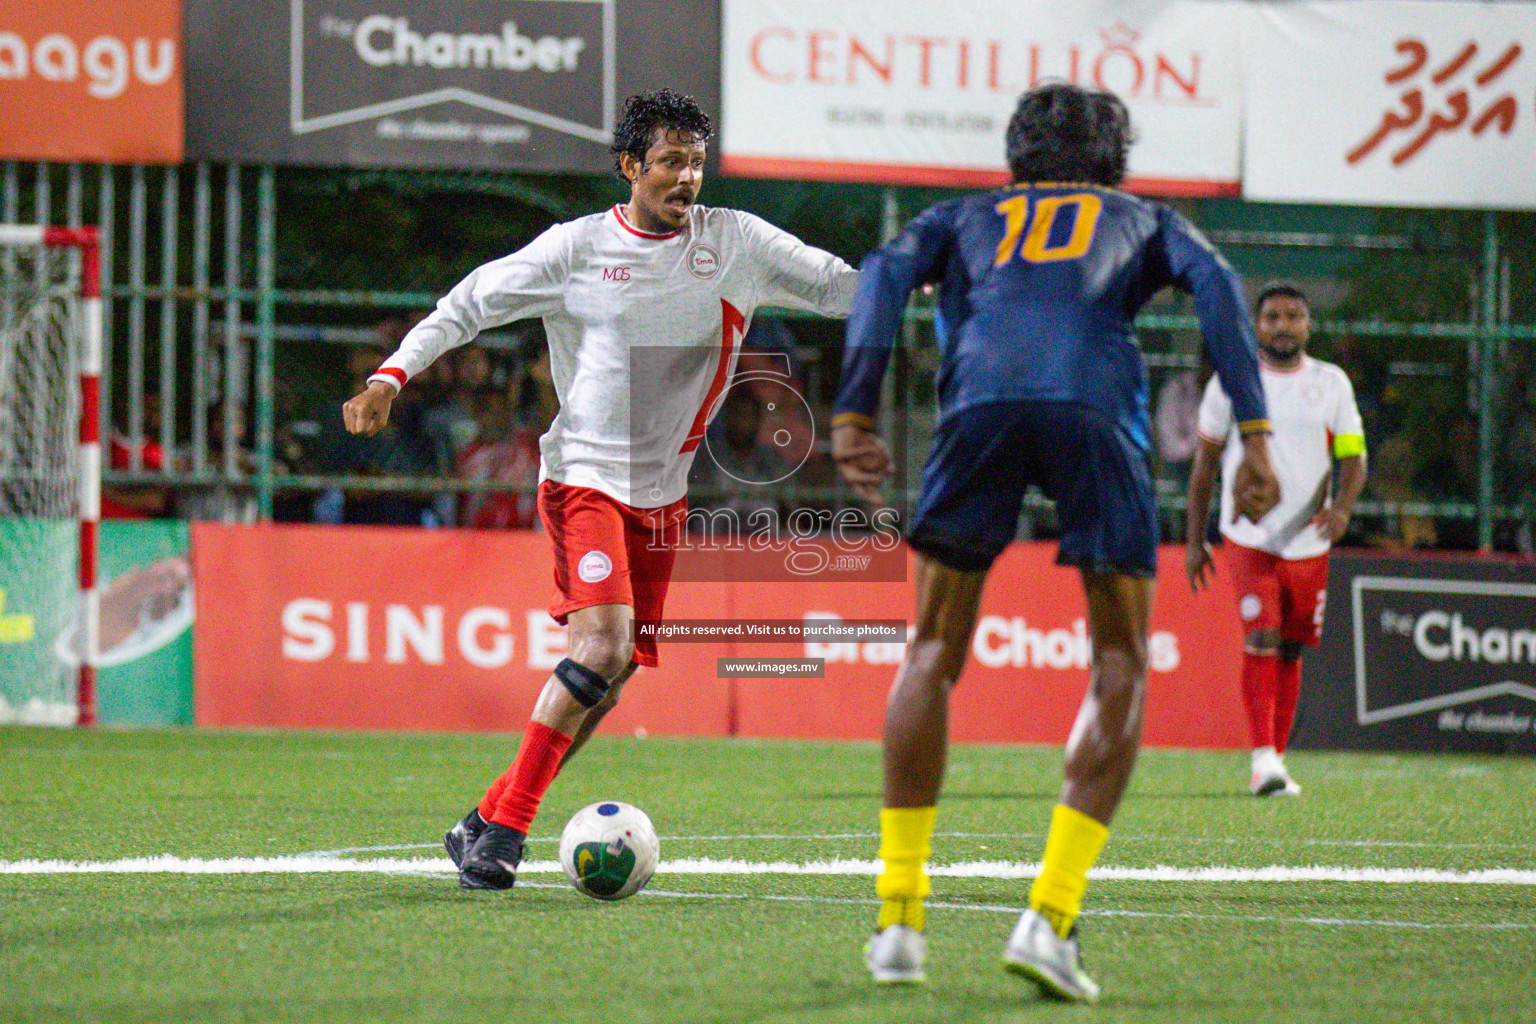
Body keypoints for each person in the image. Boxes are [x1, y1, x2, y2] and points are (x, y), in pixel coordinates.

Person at [830, 82, 1281, 1001]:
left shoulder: (963, 216)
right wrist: (1259, 434)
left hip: (980, 404)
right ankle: (1049, 916)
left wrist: (853, 408)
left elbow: (879, 273)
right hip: (1093, 408)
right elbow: (1221, 288)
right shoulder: (1144, 217)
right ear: (1114, 156)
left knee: (929, 651)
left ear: (1017, 152)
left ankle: (900, 922)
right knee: (1119, 660)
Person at [342, 89, 858, 891]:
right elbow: (466, 306)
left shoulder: (735, 243)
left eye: (695, 161)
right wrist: (390, 376)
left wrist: (933, 288)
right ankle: (505, 840)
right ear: (628, 167)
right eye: (669, 162)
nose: (686, 178)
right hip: (584, 477)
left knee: (610, 680)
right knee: (603, 648)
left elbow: (839, 286)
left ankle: (483, 816)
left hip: (663, 495)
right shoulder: (573, 251)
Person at [1186, 283, 1366, 796]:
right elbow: (1204, 467)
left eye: (1293, 316)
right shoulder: (1231, 383)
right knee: (1261, 634)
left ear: (1308, 325)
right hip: (1248, 535)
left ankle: (1277, 762)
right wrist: (1195, 539)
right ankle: (1262, 761)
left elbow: (1353, 456)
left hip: (1308, 540)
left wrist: (1343, 508)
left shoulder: (1331, 383)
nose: (1282, 325)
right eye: (1271, 317)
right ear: (1255, 325)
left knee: (1289, 648)